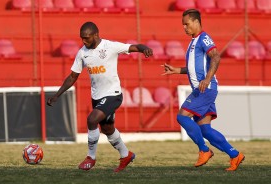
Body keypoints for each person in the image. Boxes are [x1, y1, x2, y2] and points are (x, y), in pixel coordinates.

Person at [47, 21, 153, 172]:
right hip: (97, 97)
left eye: (87, 38)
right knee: (108, 129)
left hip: (113, 95)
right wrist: (57, 95)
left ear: (96, 35)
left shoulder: (110, 46)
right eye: (82, 38)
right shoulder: (82, 53)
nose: (84, 41)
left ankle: (91, 157)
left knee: (91, 119)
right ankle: (126, 155)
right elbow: (72, 77)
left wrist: (145, 49)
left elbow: (134, 47)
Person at [162, 9, 245, 171]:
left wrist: (207, 79)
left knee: (182, 117)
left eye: (187, 24)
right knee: (205, 129)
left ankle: (204, 150)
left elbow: (216, 56)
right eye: (183, 25)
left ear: (196, 22)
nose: (184, 28)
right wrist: (177, 70)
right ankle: (235, 155)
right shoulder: (193, 42)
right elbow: (194, 67)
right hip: (203, 88)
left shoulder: (203, 38)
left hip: (205, 88)